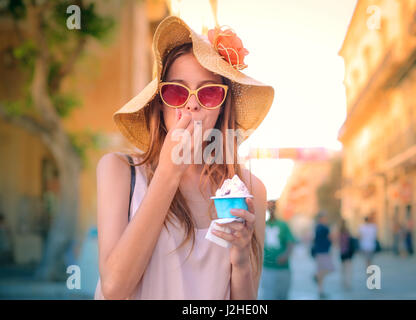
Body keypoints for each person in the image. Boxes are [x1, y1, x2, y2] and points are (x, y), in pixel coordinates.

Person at [94, 16, 274, 300]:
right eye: (177, 91)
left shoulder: (251, 189)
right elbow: (114, 288)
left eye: (209, 92)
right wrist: (168, 173)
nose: (192, 103)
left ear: (222, 108)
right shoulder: (119, 170)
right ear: (159, 103)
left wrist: (240, 260)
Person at [259, 200, 297, 300]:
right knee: (268, 295)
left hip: (282, 268)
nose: (270, 210)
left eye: (272, 208)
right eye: (268, 208)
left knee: (282, 296)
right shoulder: (262, 225)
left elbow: (291, 243)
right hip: (267, 267)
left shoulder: (283, 225)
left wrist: (285, 255)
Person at [311, 212, 335, 299]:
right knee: (330, 269)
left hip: (318, 251)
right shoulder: (325, 228)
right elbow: (331, 238)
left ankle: (320, 291)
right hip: (324, 252)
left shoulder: (317, 227)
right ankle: (316, 276)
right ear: (321, 218)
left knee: (321, 270)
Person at [337, 220, 356, 290]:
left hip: (342, 252)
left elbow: (337, 243)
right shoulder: (348, 232)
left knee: (343, 268)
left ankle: (343, 281)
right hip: (348, 252)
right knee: (349, 268)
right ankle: (348, 283)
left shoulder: (339, 233)